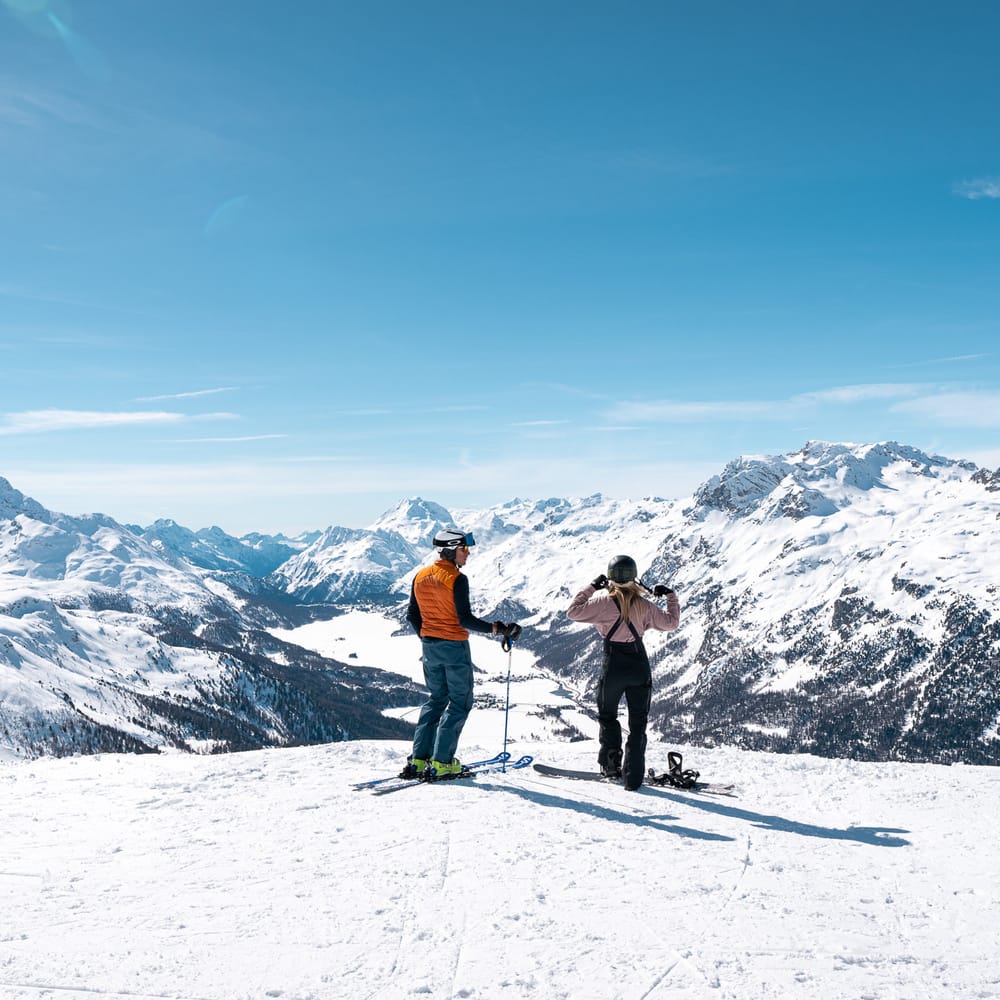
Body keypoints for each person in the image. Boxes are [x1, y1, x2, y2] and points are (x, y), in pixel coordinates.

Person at [402, 528, 521, 779]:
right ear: (452, 550)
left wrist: (426, 636)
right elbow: (464, 619)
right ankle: (443, 762)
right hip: (454, 647)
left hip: (430, 648)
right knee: (459, 703)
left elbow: (412, 615)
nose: (467, 554)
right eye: (464, 549)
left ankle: (420, 760)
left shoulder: (420, 576)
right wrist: (497, 629)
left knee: (435, 700)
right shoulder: (457, 579)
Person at [566, 555, 680, 790]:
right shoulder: (645, 605)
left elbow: (573, 612)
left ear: (610, 578)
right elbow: (671, 623)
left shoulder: (602, 603)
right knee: (638, 723)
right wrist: (670, 595)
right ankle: (633, 776)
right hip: (639, 665)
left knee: (608, 716)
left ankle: (611, 766)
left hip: (613, 666)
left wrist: (591, 587)